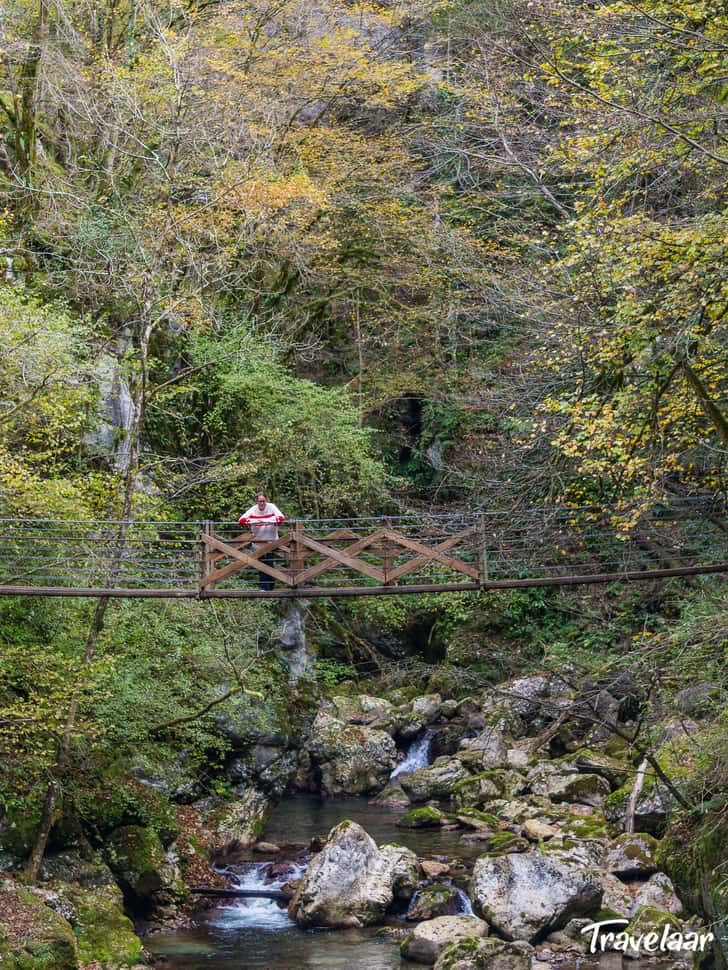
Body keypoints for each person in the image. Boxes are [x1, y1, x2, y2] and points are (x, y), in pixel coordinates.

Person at [239, 493, 286, 590]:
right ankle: (264, 588)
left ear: (266, 500)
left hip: (271, 541)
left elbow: (281, 518)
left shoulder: (271, 507)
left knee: (269, 563)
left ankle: (269, 587)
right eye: (260, 501)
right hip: (258, 542)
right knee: (261, 565)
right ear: (257, 501)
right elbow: (242, 520)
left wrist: (259, 520)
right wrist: (266, 520)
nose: (262, 503)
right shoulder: (253, 509)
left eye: (263, 501)